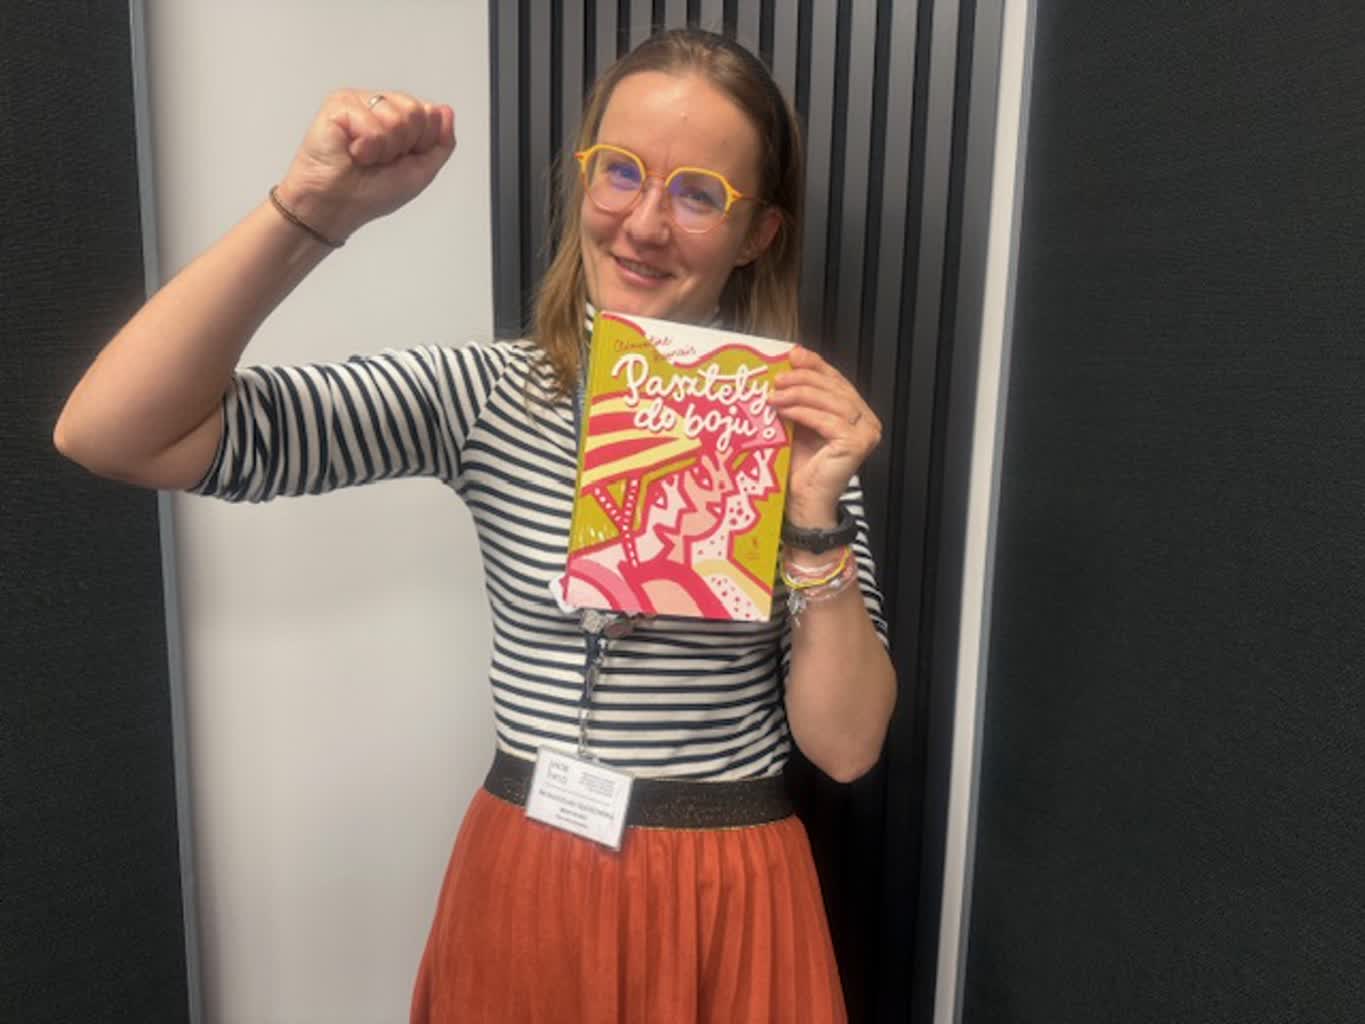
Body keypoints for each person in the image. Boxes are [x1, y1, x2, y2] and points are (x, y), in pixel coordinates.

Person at [55, 27, 897, 1024]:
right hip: (531, 878)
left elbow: (846, 748)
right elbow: (112, 432)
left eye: (697, 194)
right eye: (620, 171)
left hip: (727, 891)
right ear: (583, 178)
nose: (643, 224)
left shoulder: (790, 429)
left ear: (756, 233)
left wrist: (812, 523)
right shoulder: (488, 395)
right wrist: (310, 213)